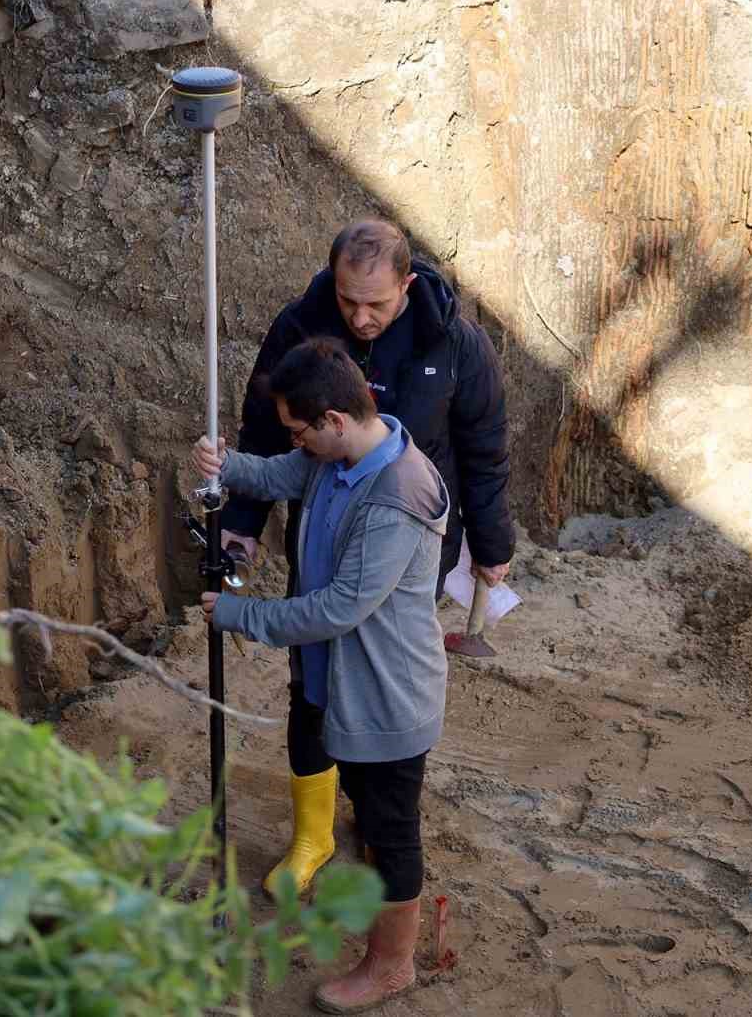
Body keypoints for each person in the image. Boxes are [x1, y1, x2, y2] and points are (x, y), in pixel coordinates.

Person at [220, 218, 514, 901]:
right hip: (323, 531)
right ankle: (313, 833)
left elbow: (484, 446)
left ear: (407, 284)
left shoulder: (453, 343)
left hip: (409, 539)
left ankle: (383, 809)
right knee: (315, 677)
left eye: (376, 304)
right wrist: (241, 526)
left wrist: (492, 545)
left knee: (383, 675)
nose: (360, 317)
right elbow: (267, 435)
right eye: (349, 300)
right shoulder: (300, 329)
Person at [196, 337, 448, 1013]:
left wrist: (239, 616)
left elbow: (339, 609)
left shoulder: (397, 496)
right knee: (351, 798)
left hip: (385, 698)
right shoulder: (336, 459)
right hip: (329, 681)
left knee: (390, 834)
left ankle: (392, 966)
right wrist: (230, 464)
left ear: (335, 421)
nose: (296, 443)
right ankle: (348, 885)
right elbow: (282, 476)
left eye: (299, 430)